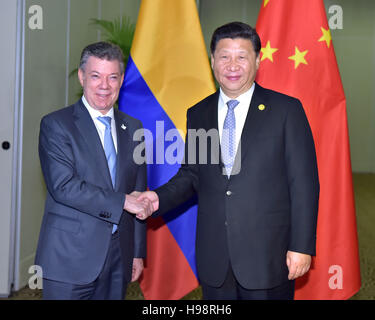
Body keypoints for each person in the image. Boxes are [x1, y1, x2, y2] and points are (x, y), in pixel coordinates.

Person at [133, 22, 320, 300]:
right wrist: (157, 199)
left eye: (241, 57)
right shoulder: (199, 113)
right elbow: (192, 175)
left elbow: (304, 184)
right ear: (212, 61)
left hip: (269, 257)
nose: (232, 65)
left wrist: (301, 246)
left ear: (257, 60)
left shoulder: (286, 110)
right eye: (224, 56)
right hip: (215, 258)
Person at [35, 42, 152, 300]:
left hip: (118, 257)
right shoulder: (57, 125)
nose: (104, 86)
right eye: (95, 76)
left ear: (121, 80)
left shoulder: (134, 128)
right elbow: (64, 186)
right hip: (69, 258)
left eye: (112, 77)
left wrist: (137, 250)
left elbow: (139, 193)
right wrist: (122, 201)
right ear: (81, 76)